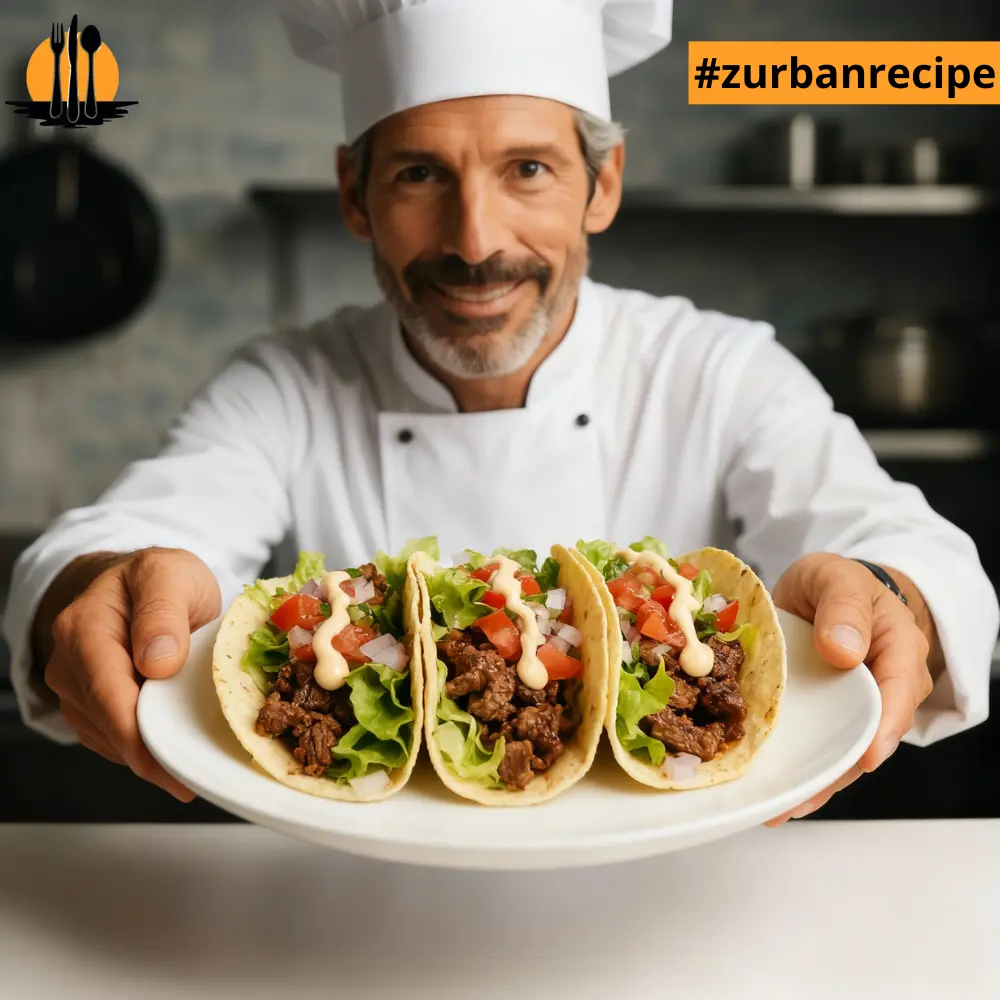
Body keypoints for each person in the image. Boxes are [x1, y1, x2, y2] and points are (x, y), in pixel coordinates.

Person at [3, 0, 996, 821]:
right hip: (350, 901)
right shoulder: (284, 387)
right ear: (354, 194)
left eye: (528, 169)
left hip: (681, 886)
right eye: (419, 174)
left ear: (601, 185)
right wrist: (101, 587)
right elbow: (117, 545)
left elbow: (906, 546)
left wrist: (888, 591)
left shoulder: (718, 369)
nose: (475, 241)